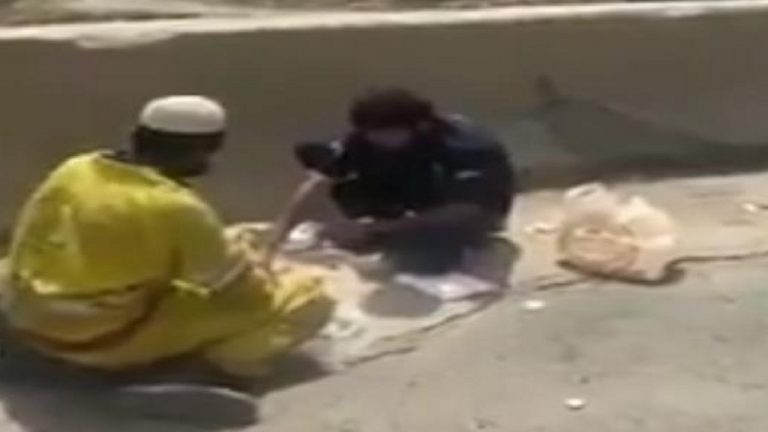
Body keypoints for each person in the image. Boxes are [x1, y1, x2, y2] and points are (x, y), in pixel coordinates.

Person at [3, 96, 332, 384]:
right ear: (205, 149)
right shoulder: (178, 208)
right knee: (308, 298)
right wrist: (265, 270)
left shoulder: (76, 168)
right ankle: (210, 375)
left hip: (24, 312)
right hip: (97, 338)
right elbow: (239, 290)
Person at [268, 88, 516, 275]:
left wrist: (378, 228)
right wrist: (277, 234)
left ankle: (439, 244)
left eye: (386, 136)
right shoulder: (365, 138)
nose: (377, 141)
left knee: (427, 261)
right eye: (371, 135)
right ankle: (386, 234)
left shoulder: (466, 145)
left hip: (469, 208)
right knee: (348, 190)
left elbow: (468, 208)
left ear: (420, 126)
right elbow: (320, 182)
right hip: (411, 191)